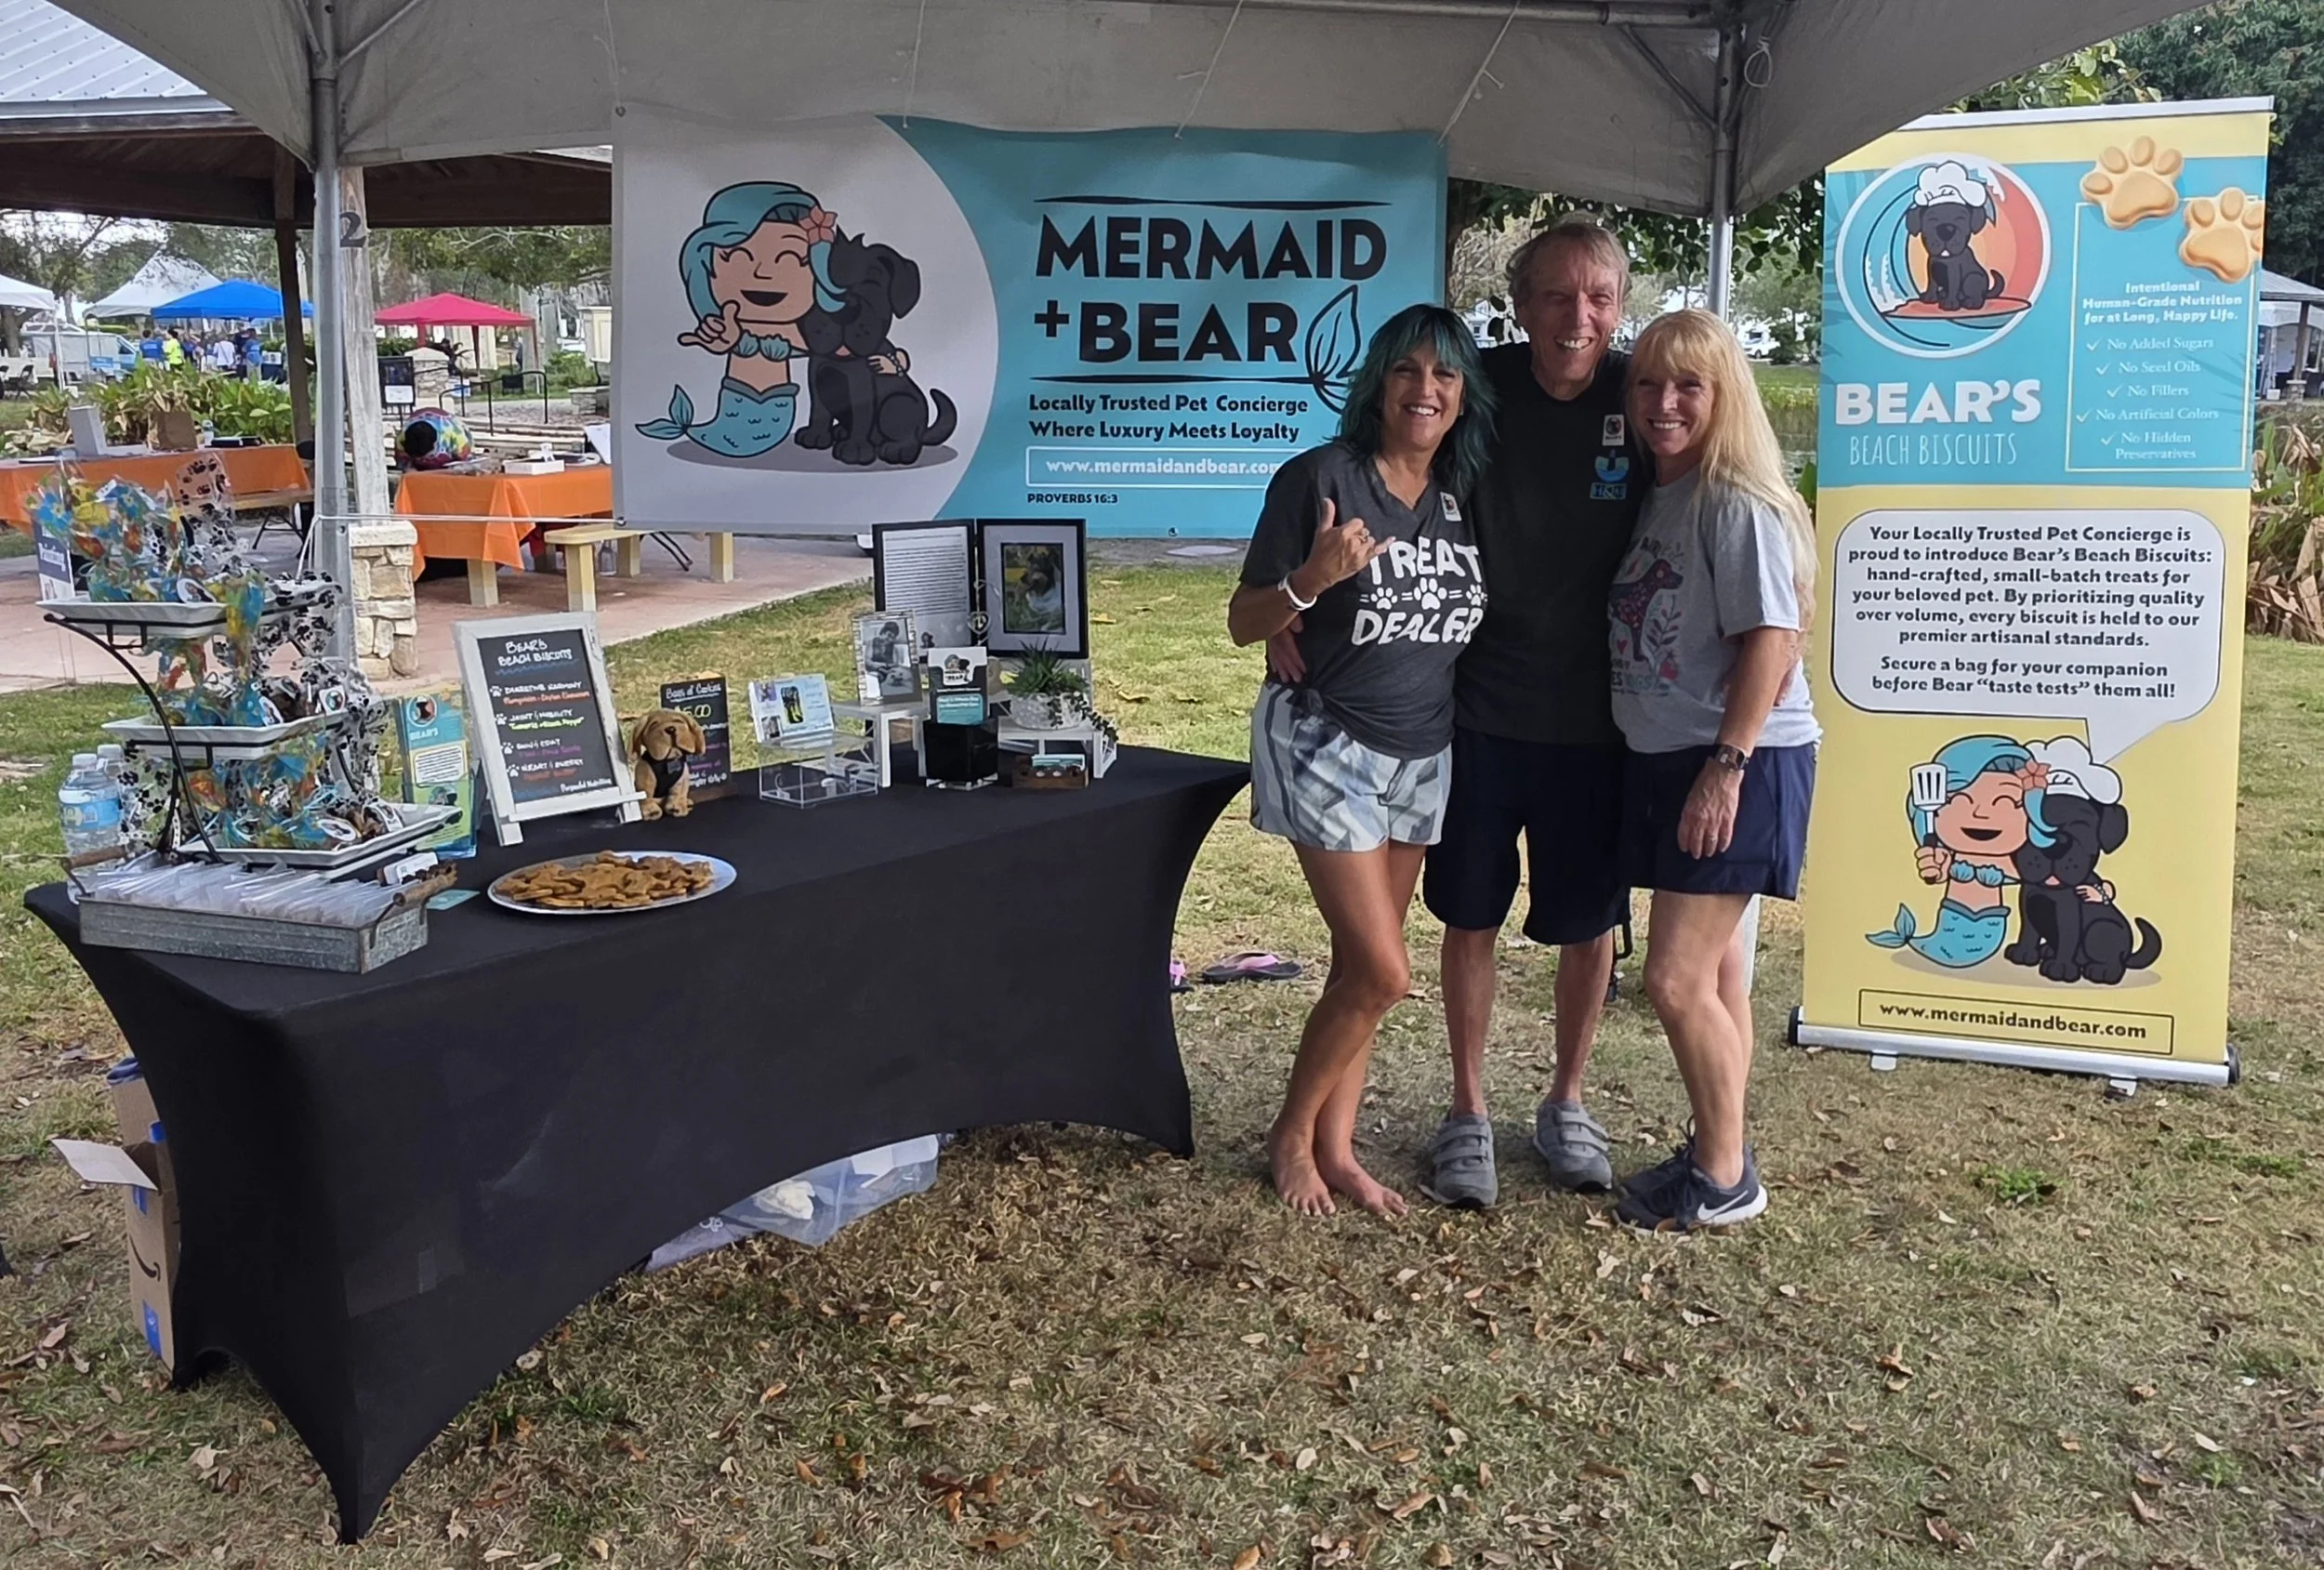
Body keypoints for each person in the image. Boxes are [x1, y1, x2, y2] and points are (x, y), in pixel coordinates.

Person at [1277, 219, 1644, 1208]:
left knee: (1588, 923)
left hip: (1599, 716)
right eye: (1555, 296)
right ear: (1519, 305)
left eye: (1598, 297)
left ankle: (1567, 1100)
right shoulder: (1476, 387)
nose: (1577, 318)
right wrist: (1297, 603)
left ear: (1621, 306)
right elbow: (1382, 486)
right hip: (1472, 711)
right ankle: (1468, 1110)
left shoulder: (1641, 395)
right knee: (1467, 914)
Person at [1230, 303, 1497, 1219]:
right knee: (1385, 971)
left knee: (1360, 967)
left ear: (1463, 396)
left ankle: (1337, 1148)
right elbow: (1244, 621)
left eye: (1444, 375)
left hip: (1424, 751)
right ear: (1378, 384)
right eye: (1407, 371)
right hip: (1327, 739)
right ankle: (1290, 1135)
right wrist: (1310, 580)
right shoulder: (1320, 479)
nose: (1425, 389)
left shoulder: (1464, 495)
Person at [1604, 308, 1819, 1232]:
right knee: (1721, 978)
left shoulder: (1734, 500)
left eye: (1689, 385)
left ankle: (1726, 1176)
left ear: (1725, 394)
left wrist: (1725, 769)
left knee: (1675, 978)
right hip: (1677, 753)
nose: (1664, 403)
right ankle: (1717, 1150)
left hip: (1733, 760)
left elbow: (1773, 638)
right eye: (1648, 384)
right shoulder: (1667, 491)